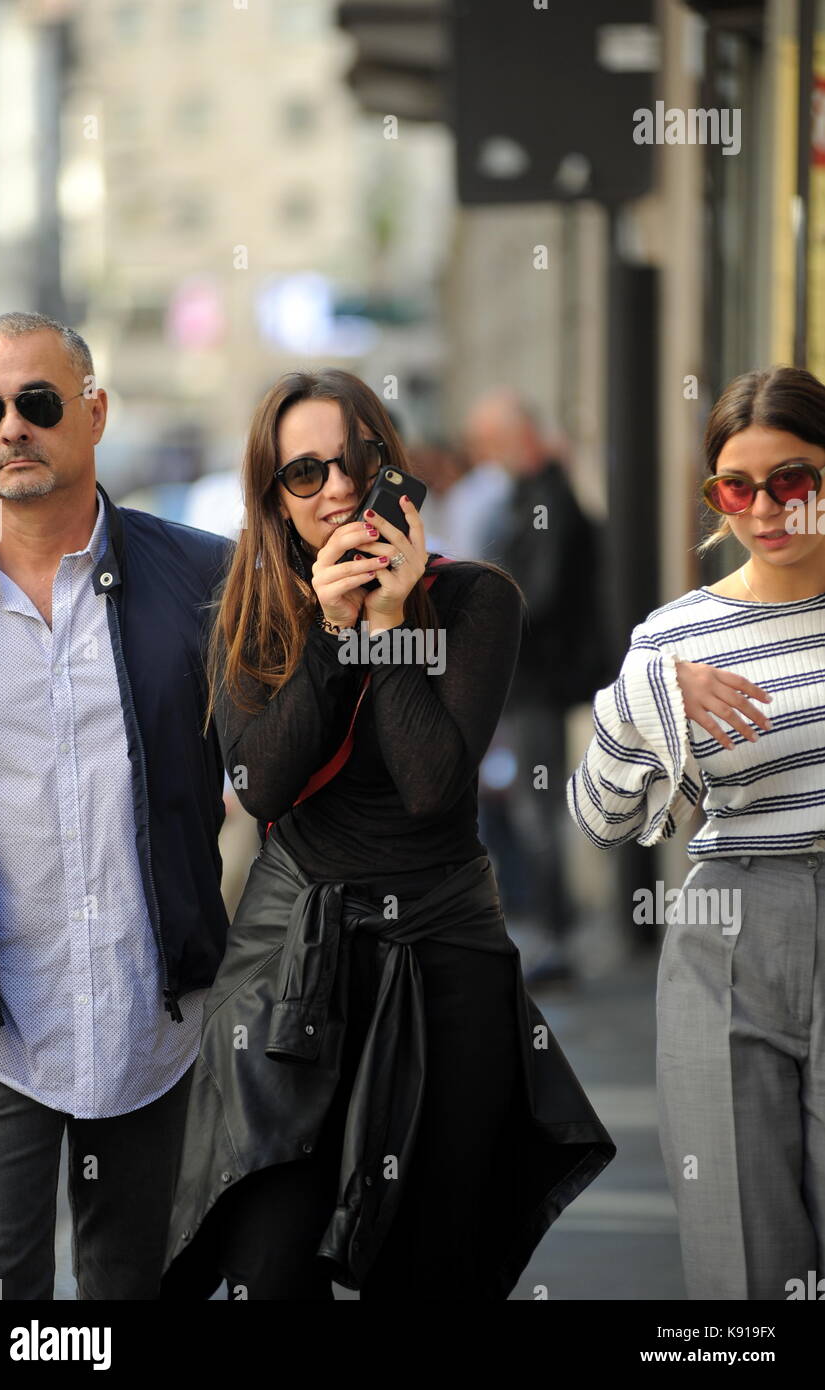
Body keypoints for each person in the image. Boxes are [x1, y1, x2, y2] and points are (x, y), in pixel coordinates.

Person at [160, 368, 614, 1301]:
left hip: (440, 954)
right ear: (275, 503)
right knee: (269, 1258)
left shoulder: (477, 600)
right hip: (293, 962)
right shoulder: (244, 613)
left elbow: (433, 784)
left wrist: (393, 623)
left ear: (393, 472)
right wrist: (330, 632)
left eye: (354, 462)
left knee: (430, 1267)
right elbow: (263, 782)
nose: (333, 489)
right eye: (303, 474)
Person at [0, 311, 233, 1299]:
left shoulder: (202, 575)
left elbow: (278, 770)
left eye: (37, 402)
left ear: (95, 411)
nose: (11, 429)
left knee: (143, 1287)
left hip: (154, 1019)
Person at [568, 364, 825, 1300]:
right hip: (727, 927)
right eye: (736, 487)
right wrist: (645, 700)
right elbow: (602, 820)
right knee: (739, 1260)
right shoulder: (674, 638)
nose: (766, 507)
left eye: (792, 479)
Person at [464, 390, 609, 982]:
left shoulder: (547, 497)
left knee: (536, 811)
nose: (486, 454)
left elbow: (539, 595)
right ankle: (545, 930)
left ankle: (554, 938)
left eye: (492, 442)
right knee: (524, 808)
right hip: (524, 682)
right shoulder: (530, 493)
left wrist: (484, 616)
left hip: (537, 682)